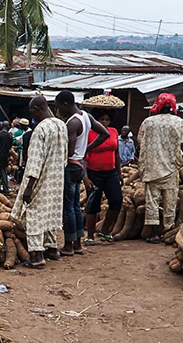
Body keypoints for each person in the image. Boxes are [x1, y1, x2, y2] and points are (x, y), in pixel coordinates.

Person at [11, 96, 68, 269]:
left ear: (37, 108)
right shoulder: (61, 125)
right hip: (56, 178)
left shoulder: (40, 129)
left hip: (40, 178)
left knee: (33, 213)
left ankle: (37, 256)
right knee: (49, 212)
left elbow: (35, 161)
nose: (32, 114)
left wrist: (29, 187)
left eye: (32, 111)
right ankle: (52, 249)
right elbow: (65, 155)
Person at [55, 90, 109, 256]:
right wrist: (86, 150)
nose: (58, 111)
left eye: (58, 107)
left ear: (65, 104)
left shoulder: (72, 123)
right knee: (76, 206)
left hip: (71, 166)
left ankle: (69, 246)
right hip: (81, 166)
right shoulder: (86, 116)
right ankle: (78, 244)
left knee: (68, 208)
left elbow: (69, 151)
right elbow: (104, 134)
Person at [137, 93, 183, 243]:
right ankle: (168, 231)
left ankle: (154, 234)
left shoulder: (148, 122)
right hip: (170, 167)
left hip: (152, 167)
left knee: (152, 201)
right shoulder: (179, 122)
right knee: (170, 200)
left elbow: (140, 141)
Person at [84, 110, 122, 244]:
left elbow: (116, 153)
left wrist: (119, 172)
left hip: (110, 172)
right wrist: (86, 177)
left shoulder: (113, 132)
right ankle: (89, 235)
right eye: (102, 119)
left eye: (107, 119)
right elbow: (82, 157)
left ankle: (105, 230)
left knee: (117, 201)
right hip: (93, 172)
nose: (105, 122)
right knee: (93, 204)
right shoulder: (89, 133)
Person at [0, 121, 13, 193]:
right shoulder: (10, 136)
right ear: (8, 127)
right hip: (5, 156)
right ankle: (6, 189)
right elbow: (9, 148)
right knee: (4, 173)